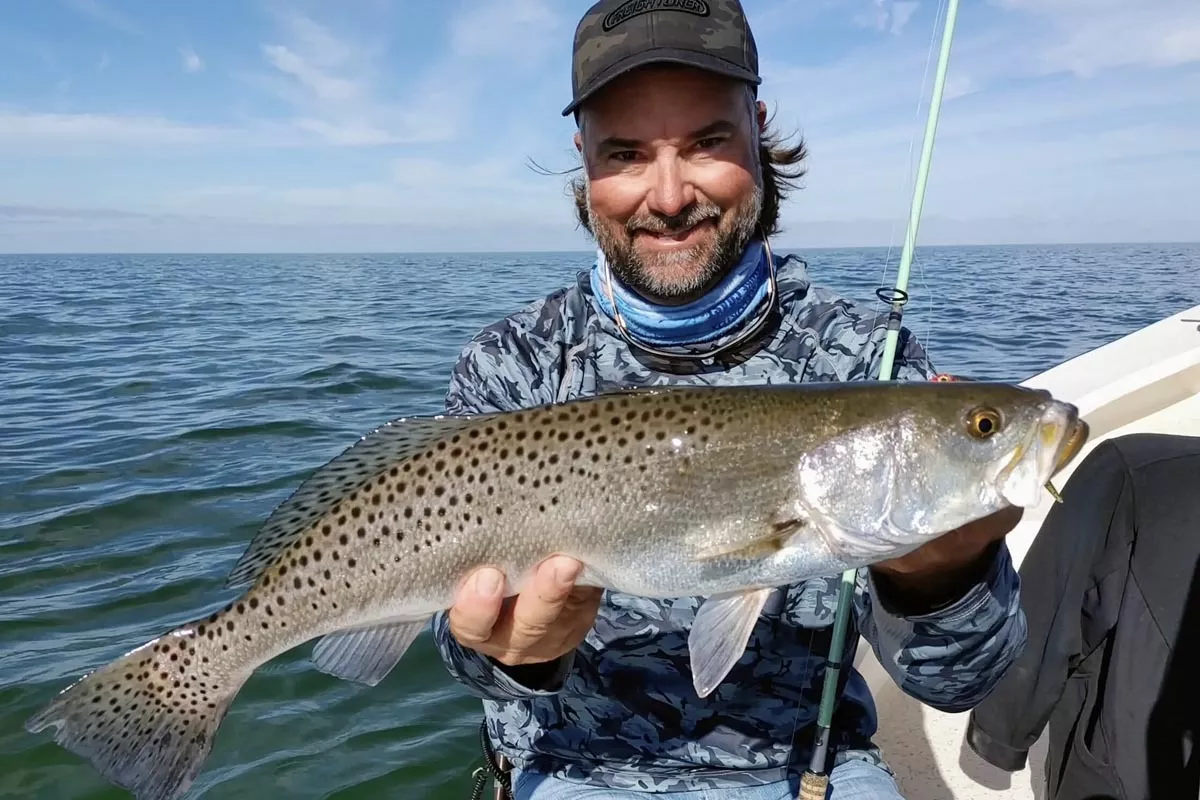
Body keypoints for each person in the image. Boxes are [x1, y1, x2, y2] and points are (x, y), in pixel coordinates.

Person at [433, 1, 1027, 797]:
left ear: (758, 128)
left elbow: (960, 687)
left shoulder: (869, 362)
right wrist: (513, 650)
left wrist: (940, 576)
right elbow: (468, 658)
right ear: (586, 163)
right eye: (627, 154)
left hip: (811, 769)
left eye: (707, 142)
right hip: (572, 765)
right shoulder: (514, 366)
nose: (671, 196)